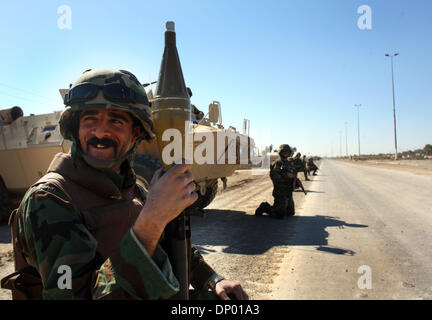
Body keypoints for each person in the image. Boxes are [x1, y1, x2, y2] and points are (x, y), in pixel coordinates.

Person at [1, 69, 247, 300]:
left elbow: (169, 243)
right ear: (75, 129)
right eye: (89, 120)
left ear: (136, 134)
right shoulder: (50, 200)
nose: (100, 132)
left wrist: (211, 278)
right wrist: (150, 222)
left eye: (116, 122)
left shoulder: (133, 188)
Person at [255, 144, 297, 218]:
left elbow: (293, 173)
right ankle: (264, 207)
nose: (286, 153)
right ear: (280, 152)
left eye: (287, 152)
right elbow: (275, 178)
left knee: (290, 213)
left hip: (288, 191)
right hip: (280, 191)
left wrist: (295, 180)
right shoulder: (277, 163)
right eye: (284, 152)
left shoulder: (287, 163)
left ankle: (278, 208)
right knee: (279, 214)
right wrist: (286, 176)